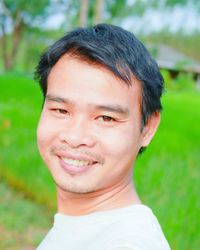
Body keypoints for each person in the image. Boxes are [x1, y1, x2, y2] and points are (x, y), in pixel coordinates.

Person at [35, 23, 170, 250]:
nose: (75, 137)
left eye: (106, 118)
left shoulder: (130, 244)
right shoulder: (82, 226)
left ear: (147, 128)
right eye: (61, 110)